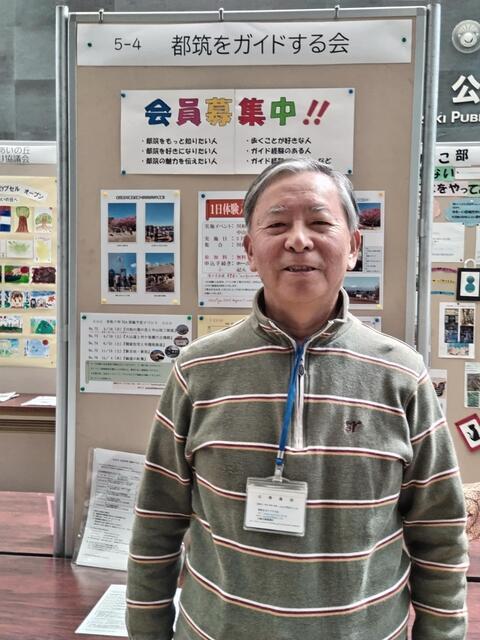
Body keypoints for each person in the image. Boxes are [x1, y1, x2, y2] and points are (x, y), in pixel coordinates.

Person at [126, 159, 468, 639]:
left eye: (320, 223)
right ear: (250, 250)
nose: (299, 240)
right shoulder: (198, 371)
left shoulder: (402, 375)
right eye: (277, 225)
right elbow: (157, 522)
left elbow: (439, 533)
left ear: (354, 246)